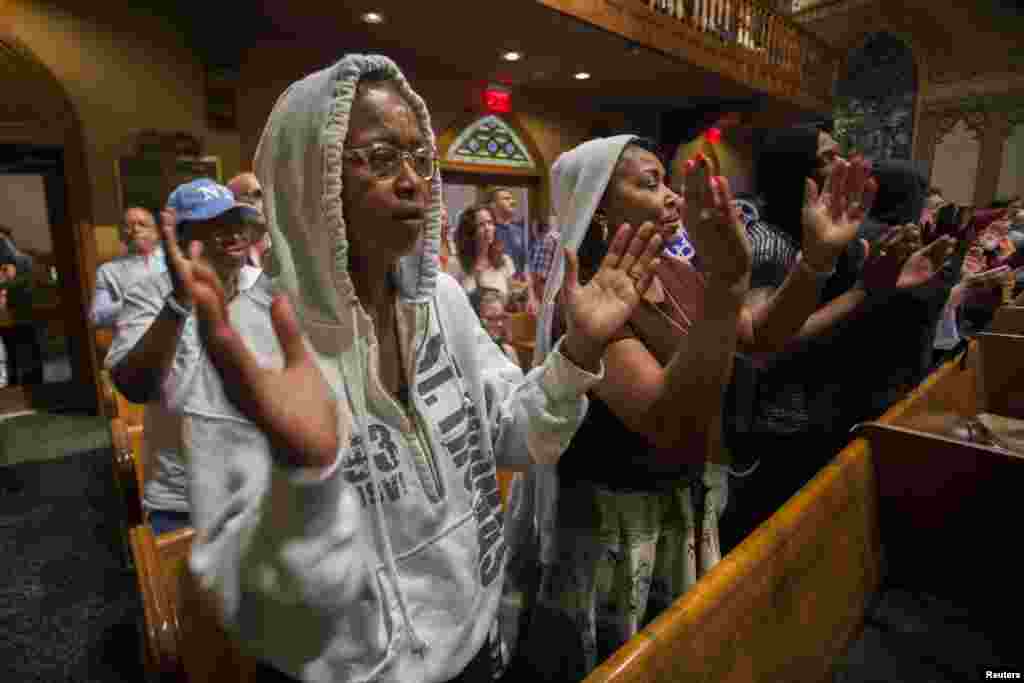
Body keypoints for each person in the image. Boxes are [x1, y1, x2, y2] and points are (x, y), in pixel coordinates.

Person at [168, 54, 664, 683]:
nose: (412, 181)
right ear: (305, 176)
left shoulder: (442, 302)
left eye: (419, 159)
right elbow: (250, 604)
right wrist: (309, 483)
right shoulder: (242, 344)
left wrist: (580, 352)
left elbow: (519, 439)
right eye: (379, 159)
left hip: (475, 647)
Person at [504, 136, 752, 678]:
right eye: (649, 183)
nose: (671, 198)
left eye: (667, 182)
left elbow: (752, 337)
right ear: (597, 208)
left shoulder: (676, 270)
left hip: (678, 501)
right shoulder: (589, 301)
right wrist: (728, 287)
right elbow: (667, 422)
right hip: (620, 521)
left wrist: (814, 266)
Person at [721, 126, 953, 550]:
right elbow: (764, 345)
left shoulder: (815, 234)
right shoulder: (768, 241)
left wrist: (886, 281)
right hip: (776, 426)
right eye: (826, 159)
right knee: (765, 550)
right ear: (795, 174)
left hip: (818, 411)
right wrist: (863, 291)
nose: (840, 166)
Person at [106, 179, 262, 535]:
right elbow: (134, 387)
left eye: (236, 222)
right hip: (186, 503)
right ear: (179, 241)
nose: (234, 234)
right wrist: (179, 301)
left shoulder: (264, 286)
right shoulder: (149, 294)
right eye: (214, 226)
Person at [90, 207, 166, 328]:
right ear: (120, 235)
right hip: (135, 340)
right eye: (128, 226)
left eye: (142, 224)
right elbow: (97, 315)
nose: (135, 229)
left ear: (156, 233)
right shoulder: (108, 271)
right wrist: (132, 302)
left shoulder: (173, 262)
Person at [456, 202, 517, 302]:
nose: (487, 228)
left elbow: (511, 298)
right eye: (481, 224)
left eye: (490, 223)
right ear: (470, 231)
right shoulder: (458, 264)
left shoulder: (504, 261)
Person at [486, 186, 529, 274]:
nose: (513, 202)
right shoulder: (487, 231)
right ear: (493, 205)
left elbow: (525, 263)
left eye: (512, 199)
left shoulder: (519, 231)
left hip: (518, 285)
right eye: (506, 199)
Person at [473, 287, 520, 366]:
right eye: (490, 319)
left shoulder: (509, 352)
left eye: (501, 318)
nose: (499, 324)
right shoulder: (475, 357)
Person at [529, 213, 560, 307]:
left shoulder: (546, 241)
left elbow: (540, 276)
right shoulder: (559, 238)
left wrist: (539, 303)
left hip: (547, 298)